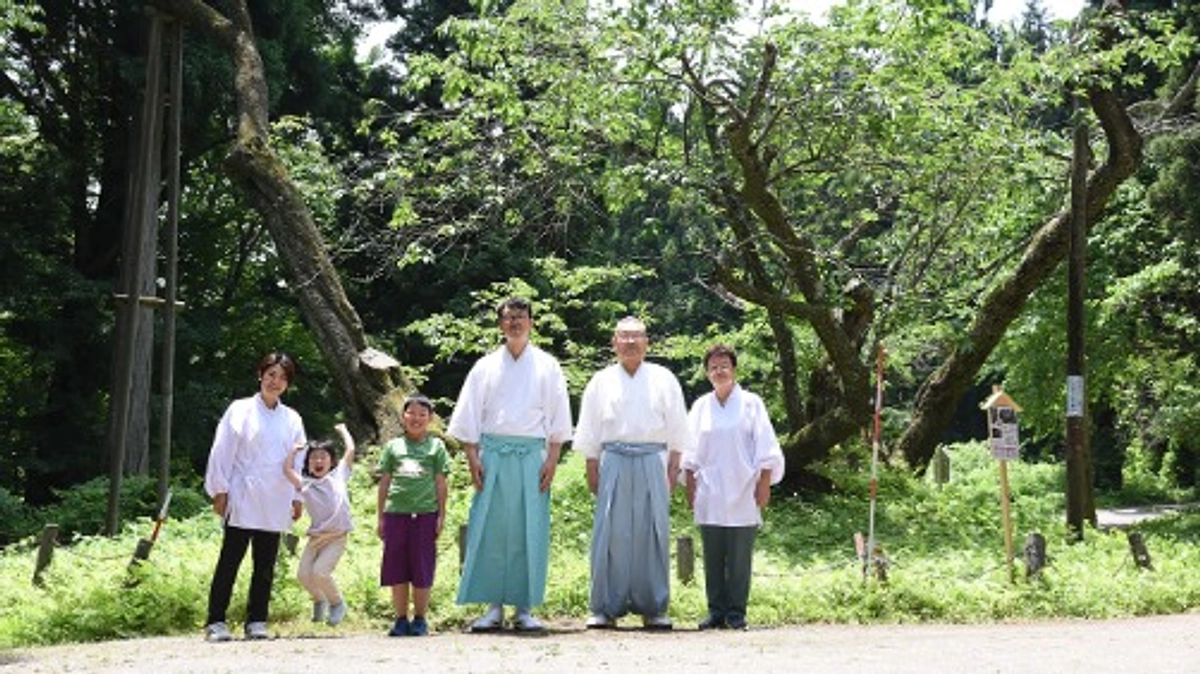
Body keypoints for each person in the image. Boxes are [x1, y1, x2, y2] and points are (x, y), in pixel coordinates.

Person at [448, 297, 573, 632]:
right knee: (490, 528)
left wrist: (552, 458)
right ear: (501, 324)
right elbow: (469, 415)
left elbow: (559, 416)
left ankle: (525, 607)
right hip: (493, 454)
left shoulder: (548, 365)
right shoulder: (485, 366)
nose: (515, 322)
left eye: (521, 316)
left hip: (532, 454)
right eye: (509, 317)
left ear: (531, 322)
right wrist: (472, 458)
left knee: (528, 528)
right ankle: (493, 606)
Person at [574, 316, 692, 630]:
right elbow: (589, 427)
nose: (630, 342)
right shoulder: (600, 380)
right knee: (610, 534)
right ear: (614, 342)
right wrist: (591, 464)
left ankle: (653, 607)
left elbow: (679, 427)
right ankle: (604, 607)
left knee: (653, 533)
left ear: (646, 342)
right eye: (624, 337)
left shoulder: (664, 378)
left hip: (654, 457)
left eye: (636, 337)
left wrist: (673, 466)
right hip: (612, 457)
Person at [203, 351, 307, 642]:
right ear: (260, 374)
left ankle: (257, 620)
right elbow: (222, 451)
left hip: (276, 496)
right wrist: (219, 490)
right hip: (242, 493)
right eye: (271, 374)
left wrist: (298, 496)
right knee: (230, 560)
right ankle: (216, 620)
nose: (276, 381)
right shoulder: (240, 410)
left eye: (282, 377)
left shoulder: (292, 418)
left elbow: (299, 459)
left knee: (265, 564)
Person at [684, 345, 785, 631]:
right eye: (714, 367)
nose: (720, 371)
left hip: (744, 487)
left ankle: (736, 613)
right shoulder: (702, 405)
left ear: (734, 369)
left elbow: (766, 446)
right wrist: (689, 485)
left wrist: (764, 483)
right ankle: (716, 611)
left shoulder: (752, 403)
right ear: (707, 373)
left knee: (740, 557)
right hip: (711, 489)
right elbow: (690, 451)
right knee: (713, 555)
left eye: (724, 365)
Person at [377, 394, 449, 637]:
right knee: (396, 567)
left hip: (425, 515)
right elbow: (384, 483)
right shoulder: (393, 447)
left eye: (422, 414)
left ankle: (420, 619)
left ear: (429, 419)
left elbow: (441, 483)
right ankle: (400, 619)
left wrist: (441, 515)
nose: (416, 418)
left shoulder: (436, 446)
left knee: (422, 567)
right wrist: (380, 517)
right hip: (396, 514)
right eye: (411, 413)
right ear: (403, 416)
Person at [282, 423, 356, 627]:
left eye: (323, 457)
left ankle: (337, 603)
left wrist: (343, 431)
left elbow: (350, 450)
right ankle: (319, 600)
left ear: (332, 461)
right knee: (304, 575)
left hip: (337, 536)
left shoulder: (339, 475)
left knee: (320, 572)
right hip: (316, 538)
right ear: (308, 463)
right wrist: (293, 452)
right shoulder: (306, 483)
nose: (318, 461)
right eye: (314, 457)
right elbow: (287, 470)